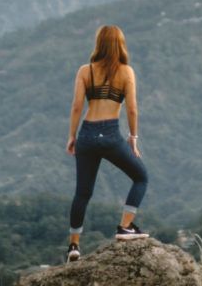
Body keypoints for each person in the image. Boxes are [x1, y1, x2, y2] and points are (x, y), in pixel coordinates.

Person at [64, 24, 149, 262]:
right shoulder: (126, 72)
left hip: (87, 134)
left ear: (98, 44)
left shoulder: (85, 71)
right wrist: (133, 139)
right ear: (120, 45)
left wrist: (72, 136)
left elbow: (77, 106)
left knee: (82, 193)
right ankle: (125, 228)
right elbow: (132, 109)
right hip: (111, 135)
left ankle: (73, 246)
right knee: (141, 177)